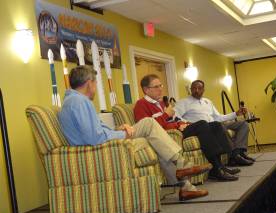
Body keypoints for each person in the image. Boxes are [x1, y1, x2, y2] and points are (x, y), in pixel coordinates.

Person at [58, 65, 212, 201]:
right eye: (95, 83)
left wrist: (117, 129)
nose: (96, 87)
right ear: (89, 83)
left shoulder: (74, 101)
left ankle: (186, 186)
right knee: (149, 124)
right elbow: (94, 138)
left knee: (156, 139)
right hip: (100, 149)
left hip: (104, 143)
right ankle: (183, 167)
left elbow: (95, 131)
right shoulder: (79, 102)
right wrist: (122, 134)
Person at [134, 74, 241, 182]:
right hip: (169, 134)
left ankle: (222, 165)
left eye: (160, 85)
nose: (161, 89)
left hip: (178, 128)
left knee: (216, 125)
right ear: (146, 89)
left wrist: (182, 123)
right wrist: (166, 115)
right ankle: (216, 169)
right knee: (202, 124)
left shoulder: (161, 103)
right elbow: (148, 127)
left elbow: (173, 119)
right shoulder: (141, 104)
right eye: (156, 87)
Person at [175, 80, 255, 166]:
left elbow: (218, 117)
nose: (197, 90)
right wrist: (187, 122)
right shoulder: (183, 102)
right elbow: (175, 116)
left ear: (203, 90)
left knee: (243, 124)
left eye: (199, 88)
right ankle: (235, 156)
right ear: (191, 89)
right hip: (203, 127)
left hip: (216, 124)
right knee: (219, 126)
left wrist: (236, 114)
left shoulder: (208, 102)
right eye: (194, 88)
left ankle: (239, 152)